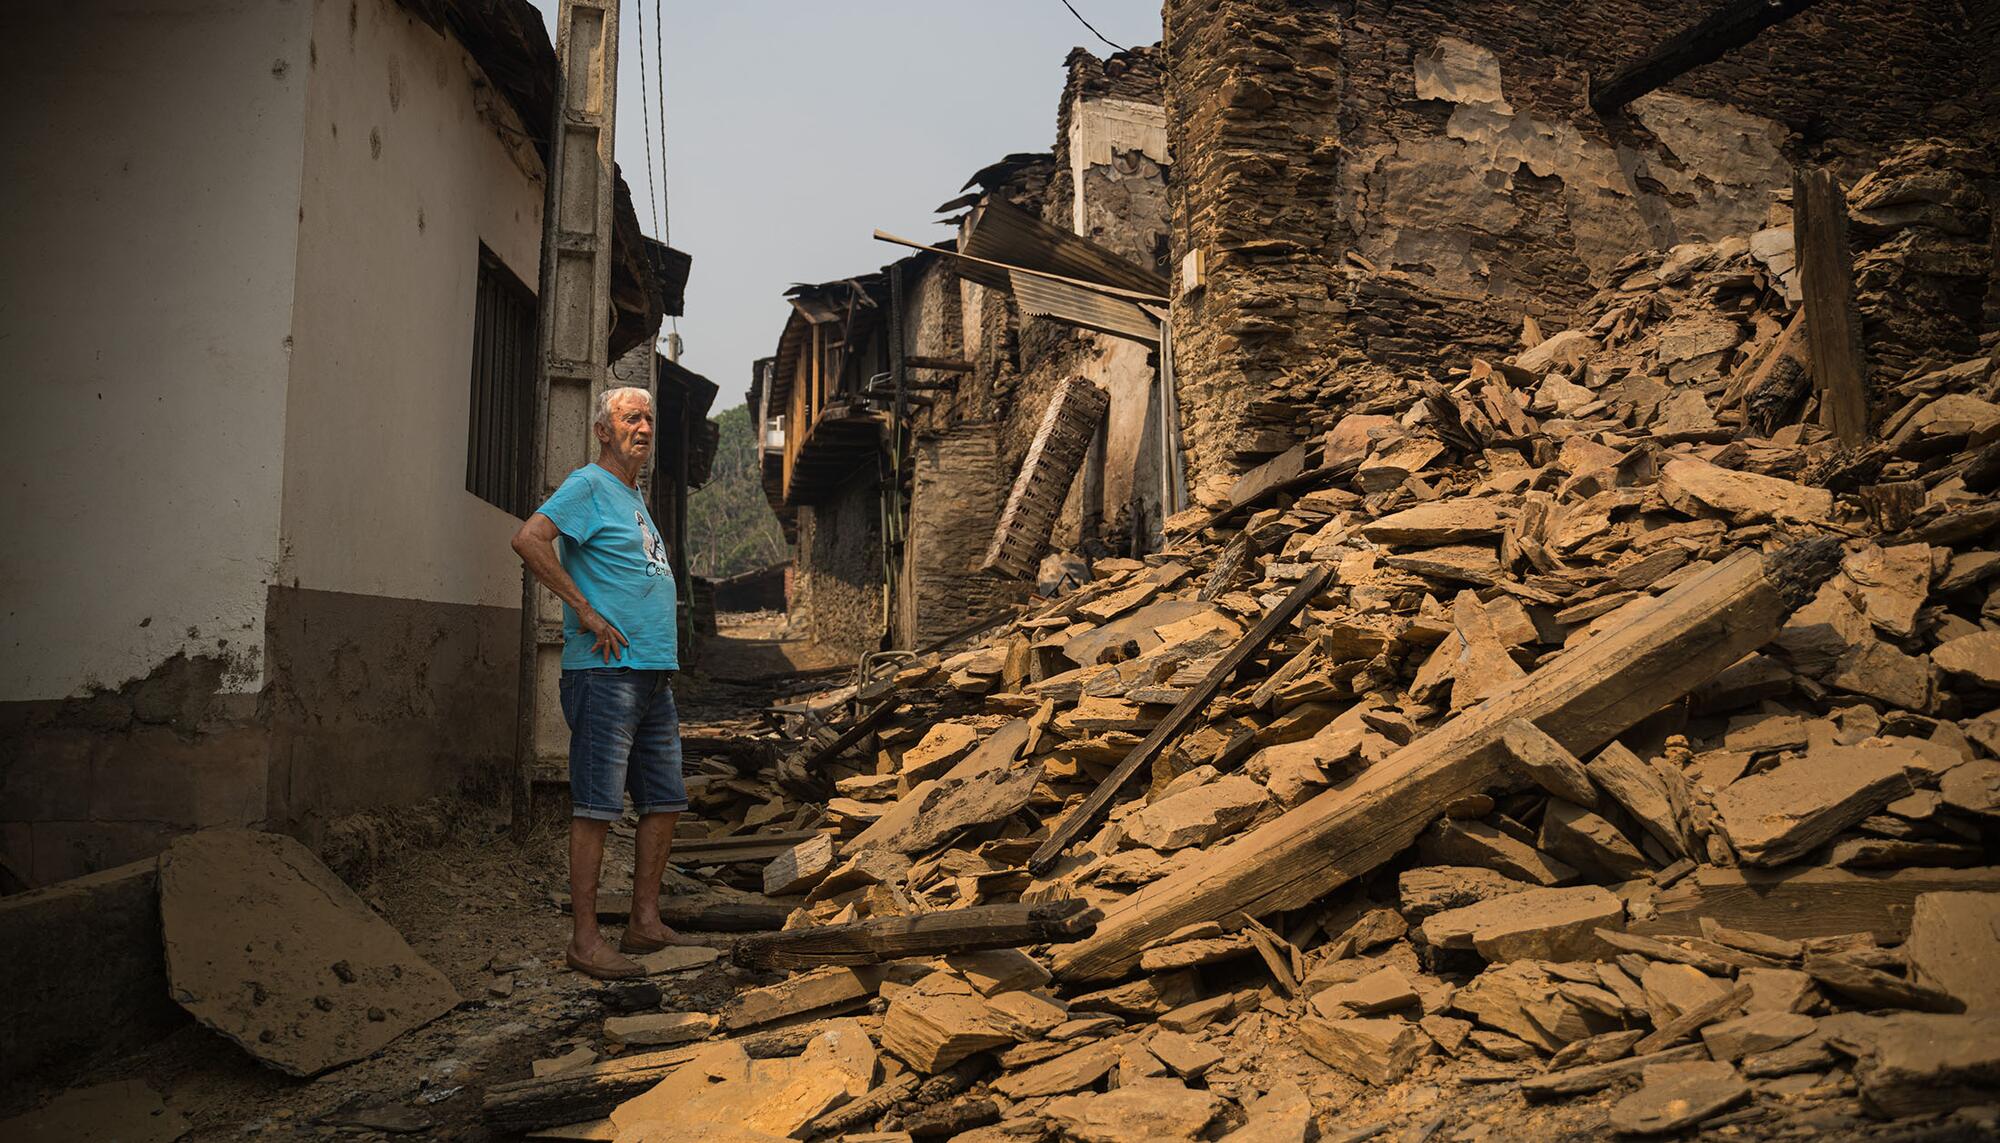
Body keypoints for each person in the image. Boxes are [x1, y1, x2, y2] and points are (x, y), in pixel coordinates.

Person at [511, 385, 691, 980]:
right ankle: (585, 942)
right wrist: (583, 610)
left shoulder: (632, 497)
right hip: (605, 673)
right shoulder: (588, 485)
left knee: (664, 801)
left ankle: (642, 921)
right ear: (604, 432)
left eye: (648, 418)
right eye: (629, 418)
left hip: (651, 676)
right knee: (596, 807)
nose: (642, 427)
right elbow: (529, 539)